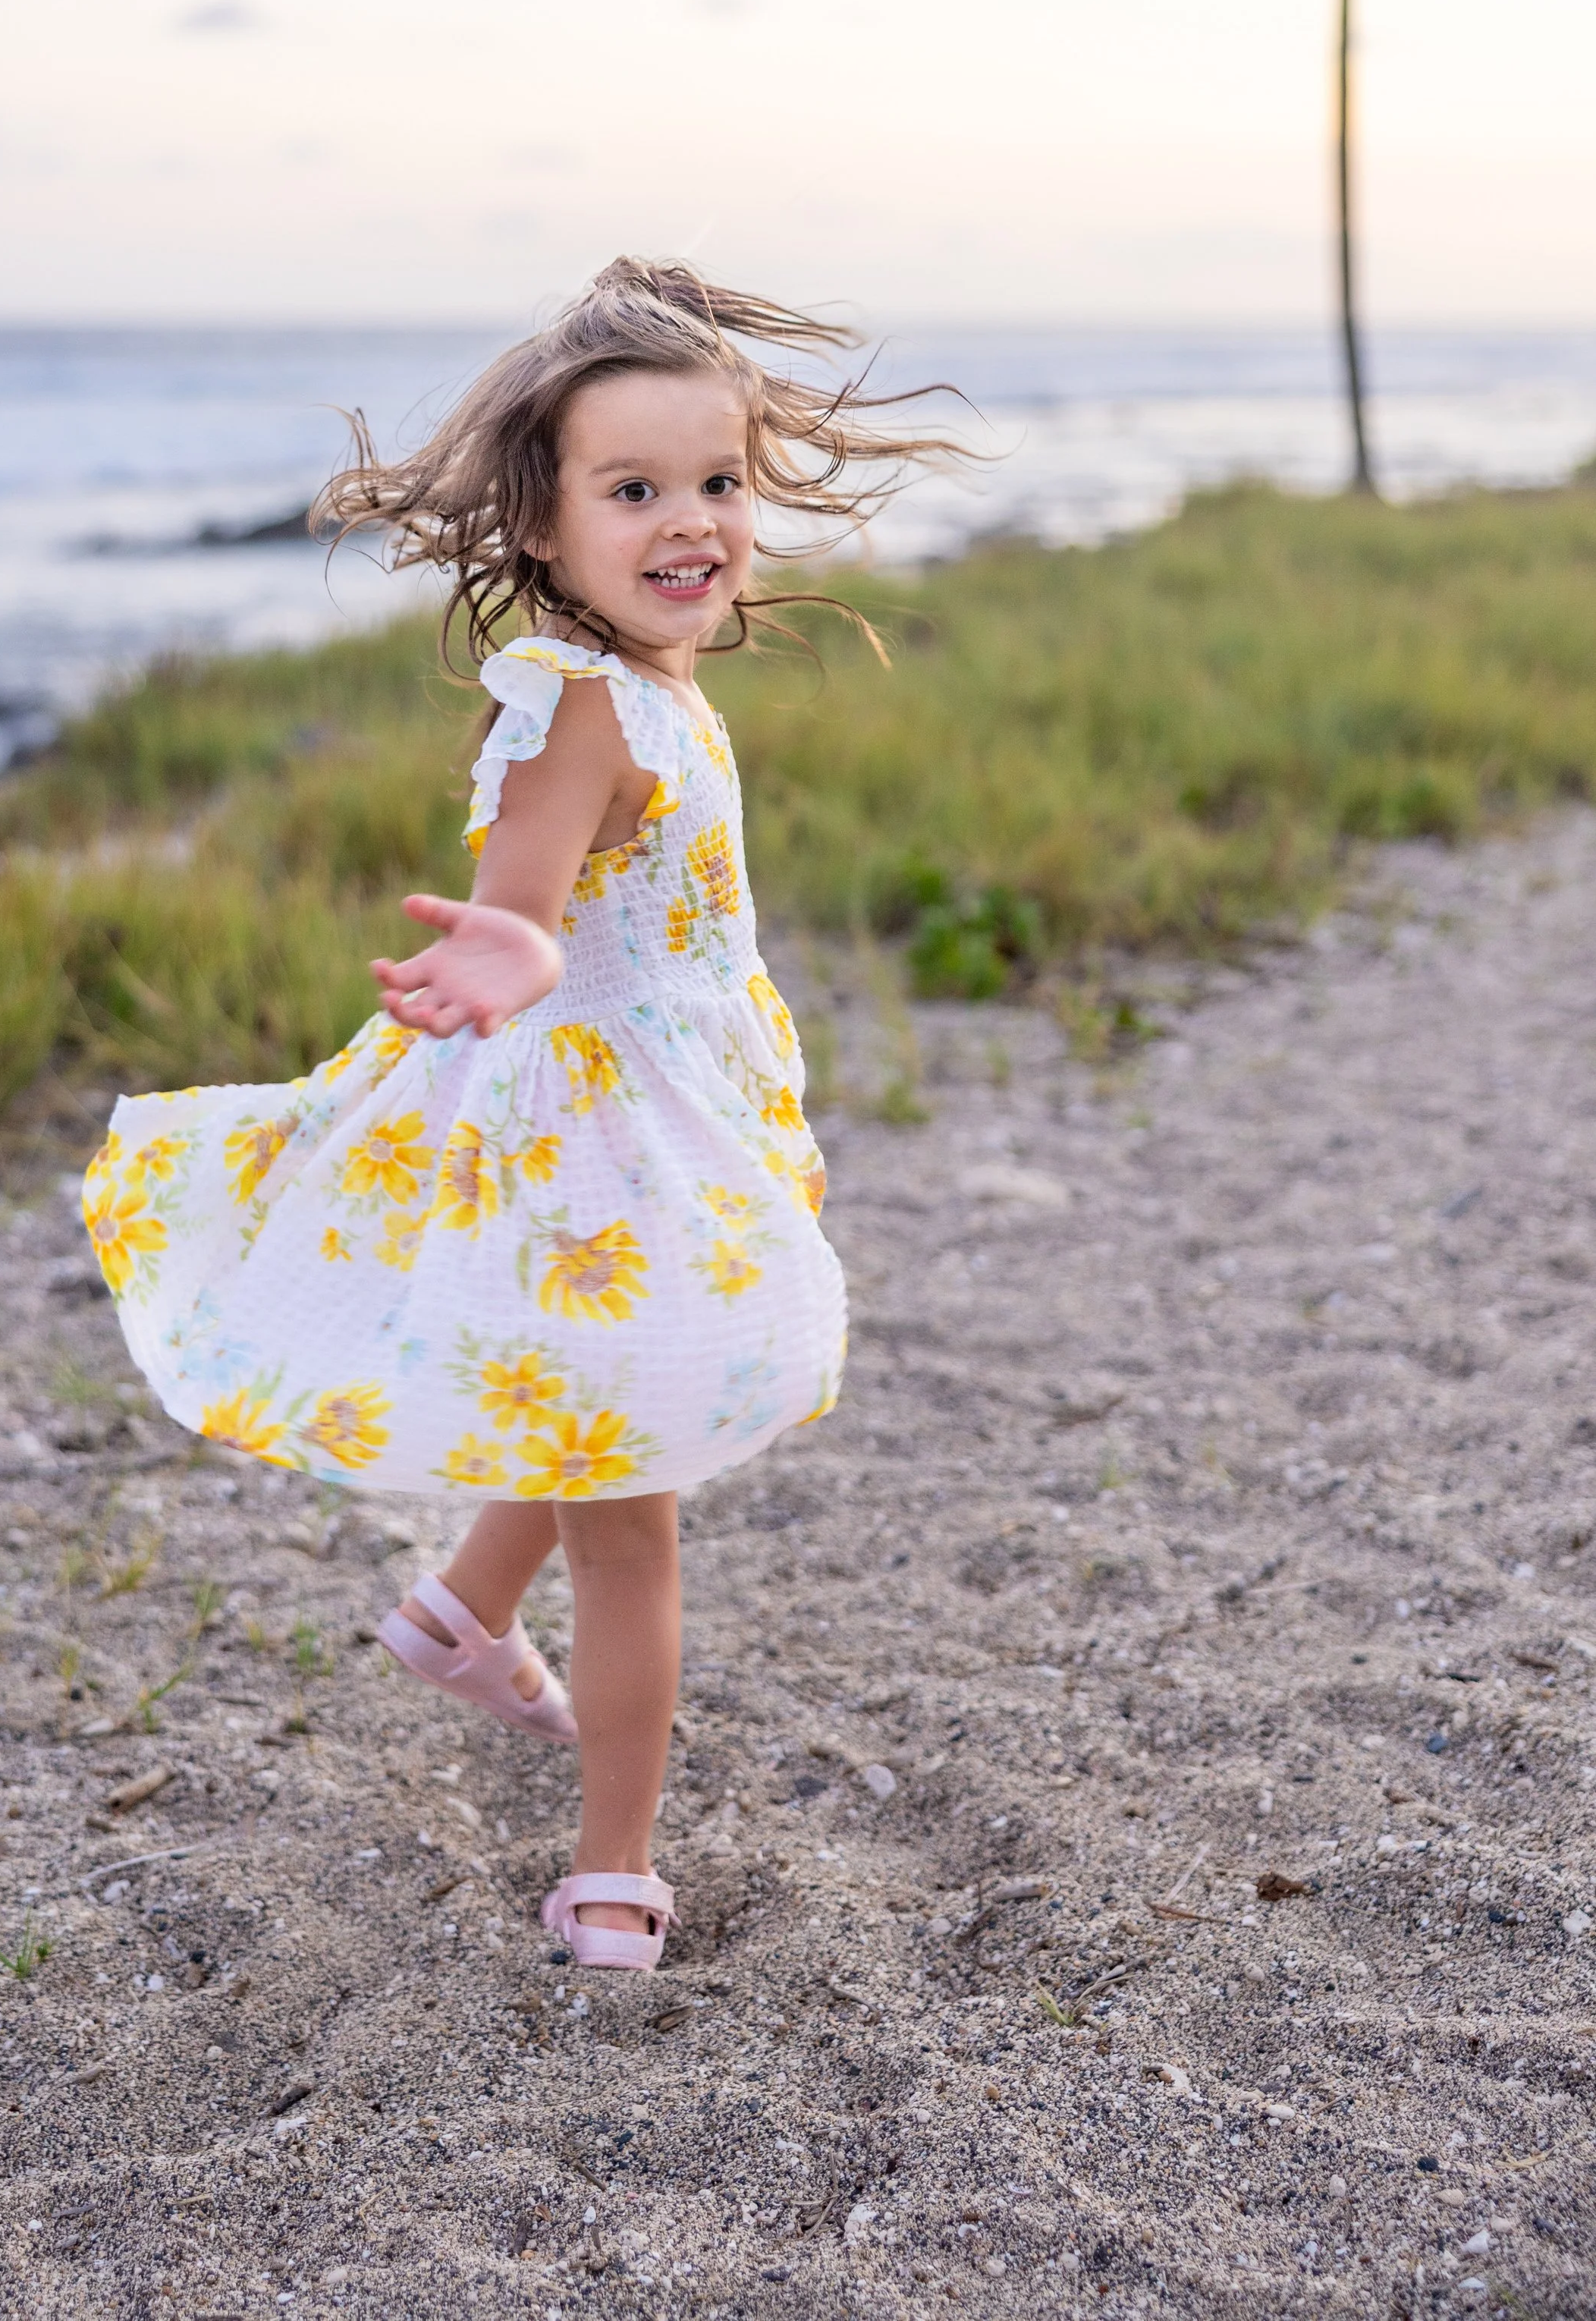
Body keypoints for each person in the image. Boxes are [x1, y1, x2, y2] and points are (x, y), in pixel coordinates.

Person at [83, 258, 965, 1969]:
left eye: (716, 482)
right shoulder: (576, 699)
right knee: (633, 1516)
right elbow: (535, 893)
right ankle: (613, 1865)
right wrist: (506, 941)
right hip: (582, 1136)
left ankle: (458, 1607)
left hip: (654, 1105)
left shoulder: (662, 682)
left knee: (597, 1415)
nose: (688, 520)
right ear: (546, 524)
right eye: (631, 489)